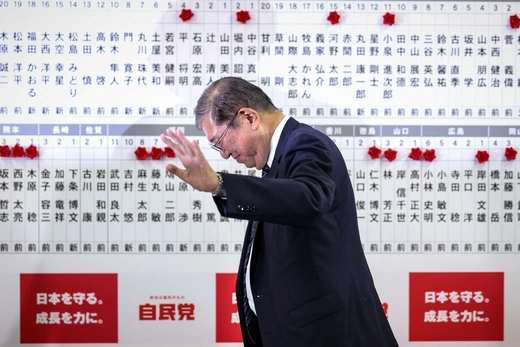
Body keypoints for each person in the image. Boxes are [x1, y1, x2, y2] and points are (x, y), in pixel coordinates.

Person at [161, 77, 399, 347]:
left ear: (249, 117)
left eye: (221, 141)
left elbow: (309, 197)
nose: (225, 155)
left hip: (329, 333)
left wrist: (220, 184)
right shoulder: (276, 159)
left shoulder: (304, 142)